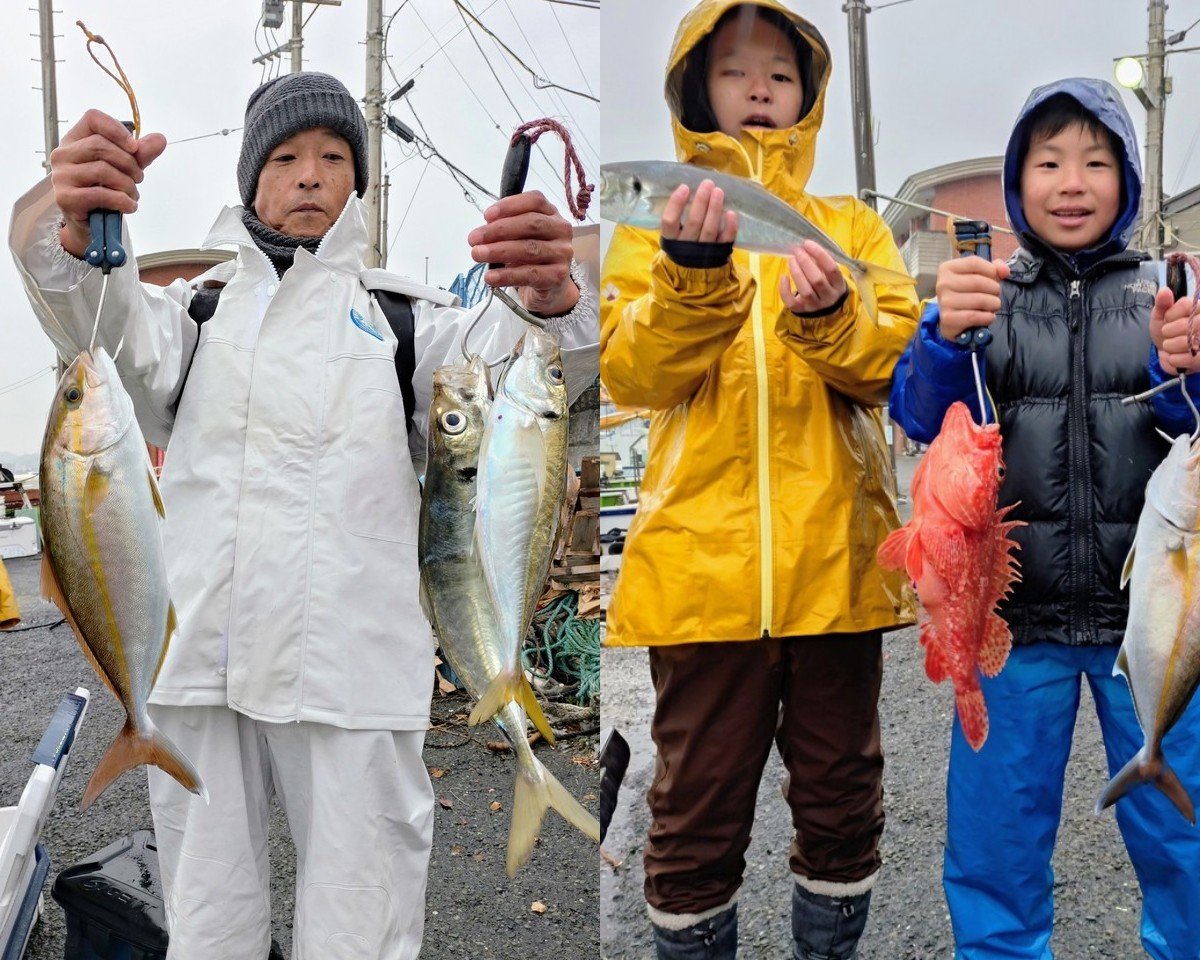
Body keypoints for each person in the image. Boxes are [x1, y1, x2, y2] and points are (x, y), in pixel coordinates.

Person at [9, 72, 597, 959]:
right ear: (251, 181)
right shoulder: (193, 319)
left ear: (357, 181)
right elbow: (102, 323)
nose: (311, 175)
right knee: (208, 926)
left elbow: (523, 365)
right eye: (285, 158)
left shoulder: (409, 322)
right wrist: (64, 230)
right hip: (197, 668)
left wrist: (552, 300)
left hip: (353, 671)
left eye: (332, 157)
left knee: (363, 927)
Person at [600, 2, 919, 957]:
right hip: (700, 577)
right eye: (736, 73)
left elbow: (890, 369)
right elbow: (632, 372)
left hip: (839, 566)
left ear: (808, 95)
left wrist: (830, 318)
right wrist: (693, 277)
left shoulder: (849, 226)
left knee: (842, 795)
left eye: (780, 75)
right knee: (693, 810)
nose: (759, 91)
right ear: (698, 89)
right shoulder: (645, 228)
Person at [890, 78, 1200, 960]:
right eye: (1050, 161)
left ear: (1128, 181)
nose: (1073, 181)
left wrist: (1195, 368)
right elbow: (920, 415)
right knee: (995, 847)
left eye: (1097, 162)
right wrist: (943, 339)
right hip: (1009, 629)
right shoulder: (987, 298)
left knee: (1187, 842)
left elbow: (1193, 431)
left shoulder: (1161, 299)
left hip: (1149, 625)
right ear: (1018, 181)